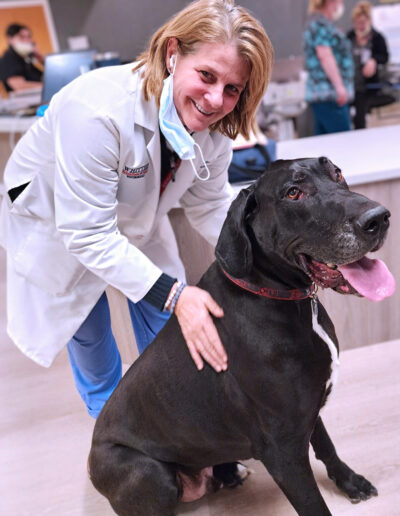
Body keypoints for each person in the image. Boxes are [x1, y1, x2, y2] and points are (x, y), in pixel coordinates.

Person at [0, 0, 273, 418]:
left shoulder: (215, 127)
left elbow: (210, 202)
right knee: (92, 339)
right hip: (58, 221)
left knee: (169, 333)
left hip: (134, 216)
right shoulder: (98, 110)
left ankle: (175, 431)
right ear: (172, 53)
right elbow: (87, 234)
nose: (216, 98)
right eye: (206, 75)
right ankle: (118, 441)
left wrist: (263, 262)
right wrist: (178, 295)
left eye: (233, 88)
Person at [303, 0, 354, 135]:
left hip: (323, 96)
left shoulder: (321, 23)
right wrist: (339, 87)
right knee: (343, 142)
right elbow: (325, 55)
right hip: (330, 95)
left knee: (324, 145)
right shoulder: (320, 25)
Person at [347, 1, 390, 129]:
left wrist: (374, 60)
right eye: (357, 23)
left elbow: (384, 56)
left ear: (368, 21)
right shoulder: (349, 37)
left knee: (360, 113)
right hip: (350, 82)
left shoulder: (377, 37)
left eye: (362, 23)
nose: (360, 26)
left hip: (366, 85)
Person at [0, 23, 44, 93]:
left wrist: (40, 57)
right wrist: (47, 86)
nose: (27, 40)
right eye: (22, 37)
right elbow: (20, 87)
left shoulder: (25, 59)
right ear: (10, 39)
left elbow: (44, 77)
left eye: (29, 37)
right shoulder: (8, 59)